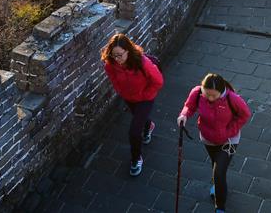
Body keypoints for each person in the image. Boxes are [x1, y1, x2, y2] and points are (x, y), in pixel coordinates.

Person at [177, 73, 252, 213]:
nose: (210, 98)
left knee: (218, 172)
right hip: (208, 139)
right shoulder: (197, 92)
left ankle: (220, 207)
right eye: (207, 95)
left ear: (221, 91)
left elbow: (245, 115)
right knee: (215, 164)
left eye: (214, 95)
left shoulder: (232, 99)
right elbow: (189, 106)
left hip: (229, 141)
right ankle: (217, 185)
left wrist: (229, 131)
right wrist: (184, 115)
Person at [102, 33, 164, 176]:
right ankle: (149, 126)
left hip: (145, 98)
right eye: (113, 55)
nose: (116, 59)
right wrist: (122, 92)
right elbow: (114, 80)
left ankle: (136, 159)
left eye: (120, 55)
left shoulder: (142, 62)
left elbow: (158, 81)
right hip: (129, 97)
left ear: (128, 51)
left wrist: (145, 96)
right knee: (139, 117)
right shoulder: (110, 64)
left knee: (134, 131)